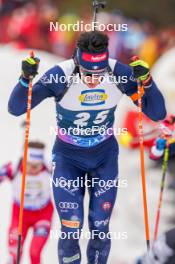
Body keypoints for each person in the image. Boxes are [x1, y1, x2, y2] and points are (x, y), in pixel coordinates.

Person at [8, 31, 166, 264]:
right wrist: (25, 79)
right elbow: (16, 107)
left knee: (100, 228)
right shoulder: (61, 75)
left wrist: (147, 83)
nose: (93, 79)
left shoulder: (118, 73)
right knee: (71, 229)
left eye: (99, 73)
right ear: (76, 61)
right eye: (87, 72)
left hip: (104, 158)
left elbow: (157, 113)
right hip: (68, 159)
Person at [0, 141, 54, 264]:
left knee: (34, 252)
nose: (32, 169)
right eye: (29, 165)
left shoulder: (49, 167)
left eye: (36, 166)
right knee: (14, 253)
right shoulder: (14, 167)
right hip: (19, 215)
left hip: (42, 214)